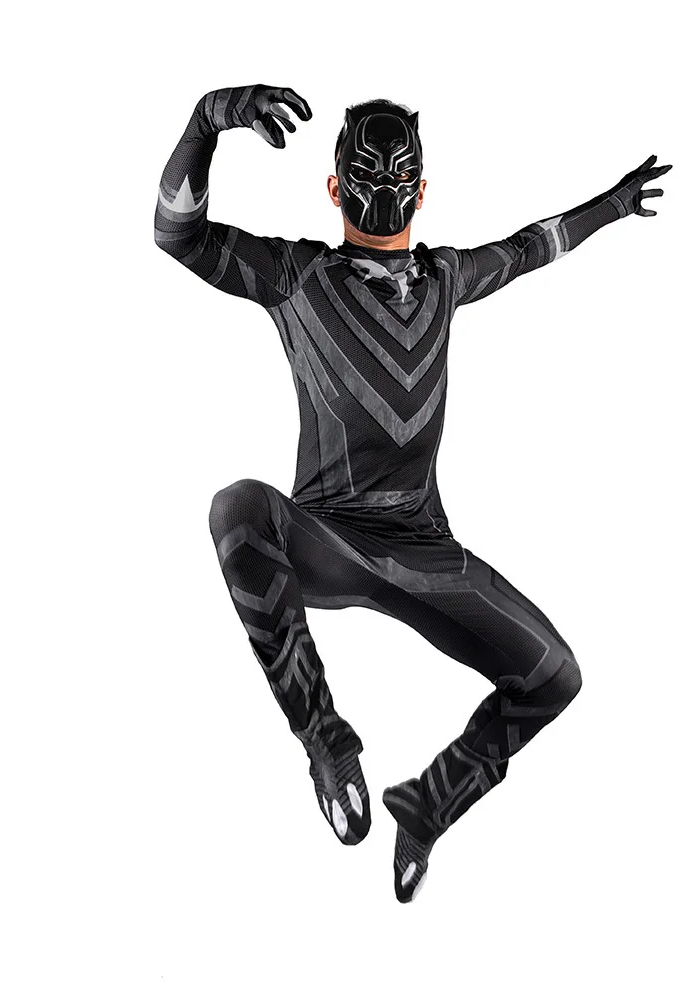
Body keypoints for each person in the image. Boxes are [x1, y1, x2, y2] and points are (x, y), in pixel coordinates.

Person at [154, 84, 671, 902]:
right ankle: (326, 741)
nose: (387, 190)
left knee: (555, 677)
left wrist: (612, 205)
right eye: (371, 177)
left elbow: (530, 248)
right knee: (238, 508)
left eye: (398, 178)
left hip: (428, 553)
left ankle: (427, 807)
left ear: (419, 191)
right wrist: (205, 119)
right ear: (339, 188)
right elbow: (176, 233)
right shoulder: (295, 275)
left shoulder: (446, 276)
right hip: (329, 540)